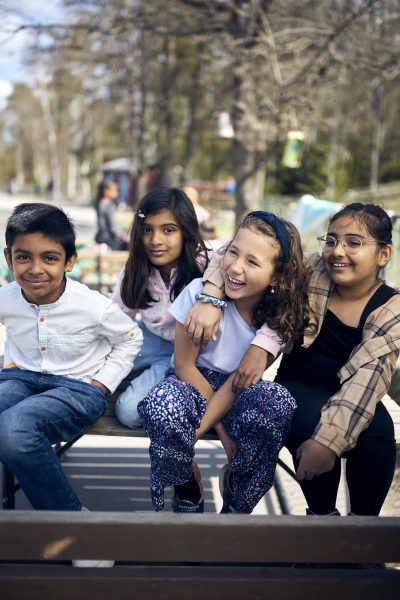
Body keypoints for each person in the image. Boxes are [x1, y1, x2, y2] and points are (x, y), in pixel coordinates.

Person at [188, 203, 400, 517]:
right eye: (331, 240)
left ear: (383, 254)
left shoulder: (391, 309)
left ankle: (363, 529)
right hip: (299, 383)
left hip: (353, 390)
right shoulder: (312, 269)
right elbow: (230, 254)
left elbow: (367, 382)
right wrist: (210, 297)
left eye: (353, 243)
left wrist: (329, 443)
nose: (338, 251)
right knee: (309, 421)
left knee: (379, 432)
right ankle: (322, 517)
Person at [137, 211, 310, 513]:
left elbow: (238, 382)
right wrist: (220, 430)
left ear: (276, 276)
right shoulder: (197, 294)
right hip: (190, 383)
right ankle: (187, 488)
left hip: (239, 391)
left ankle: (237, 495)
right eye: (233, 252)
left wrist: (206, 428)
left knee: (277, 402)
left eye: (252, 262)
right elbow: (184, 366)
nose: (235, 267)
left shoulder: (278, 320)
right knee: (163, 404)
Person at [0, 203, 142, 514]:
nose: (35, 269)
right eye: (23, 257)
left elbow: (131, 338)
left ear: (69, 261)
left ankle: (73, 522)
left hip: (76, 388)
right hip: (20, 378)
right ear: (9, 258)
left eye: (49, 258)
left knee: (13, 429)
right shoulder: (6, 298)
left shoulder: (93, 306)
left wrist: (101, 384)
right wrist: (8, 362)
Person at [112, 187, 210, 428]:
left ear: (186, 231)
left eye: (168, 230)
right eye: (147, 229)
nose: (155, 240)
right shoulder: (136, 268)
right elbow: (117, 316)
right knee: (90, 366)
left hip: (188, 351)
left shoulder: (206, 266)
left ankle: (162, 385)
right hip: (148, 338)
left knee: (129, 412)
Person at [94, 179, 128, 250]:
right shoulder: (109, 205)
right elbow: (113, 228)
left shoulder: (99, 203)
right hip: (108, 239)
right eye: (115, 190)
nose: (117, 192)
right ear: (106, 191)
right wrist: (124, 236)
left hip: (99, 237)